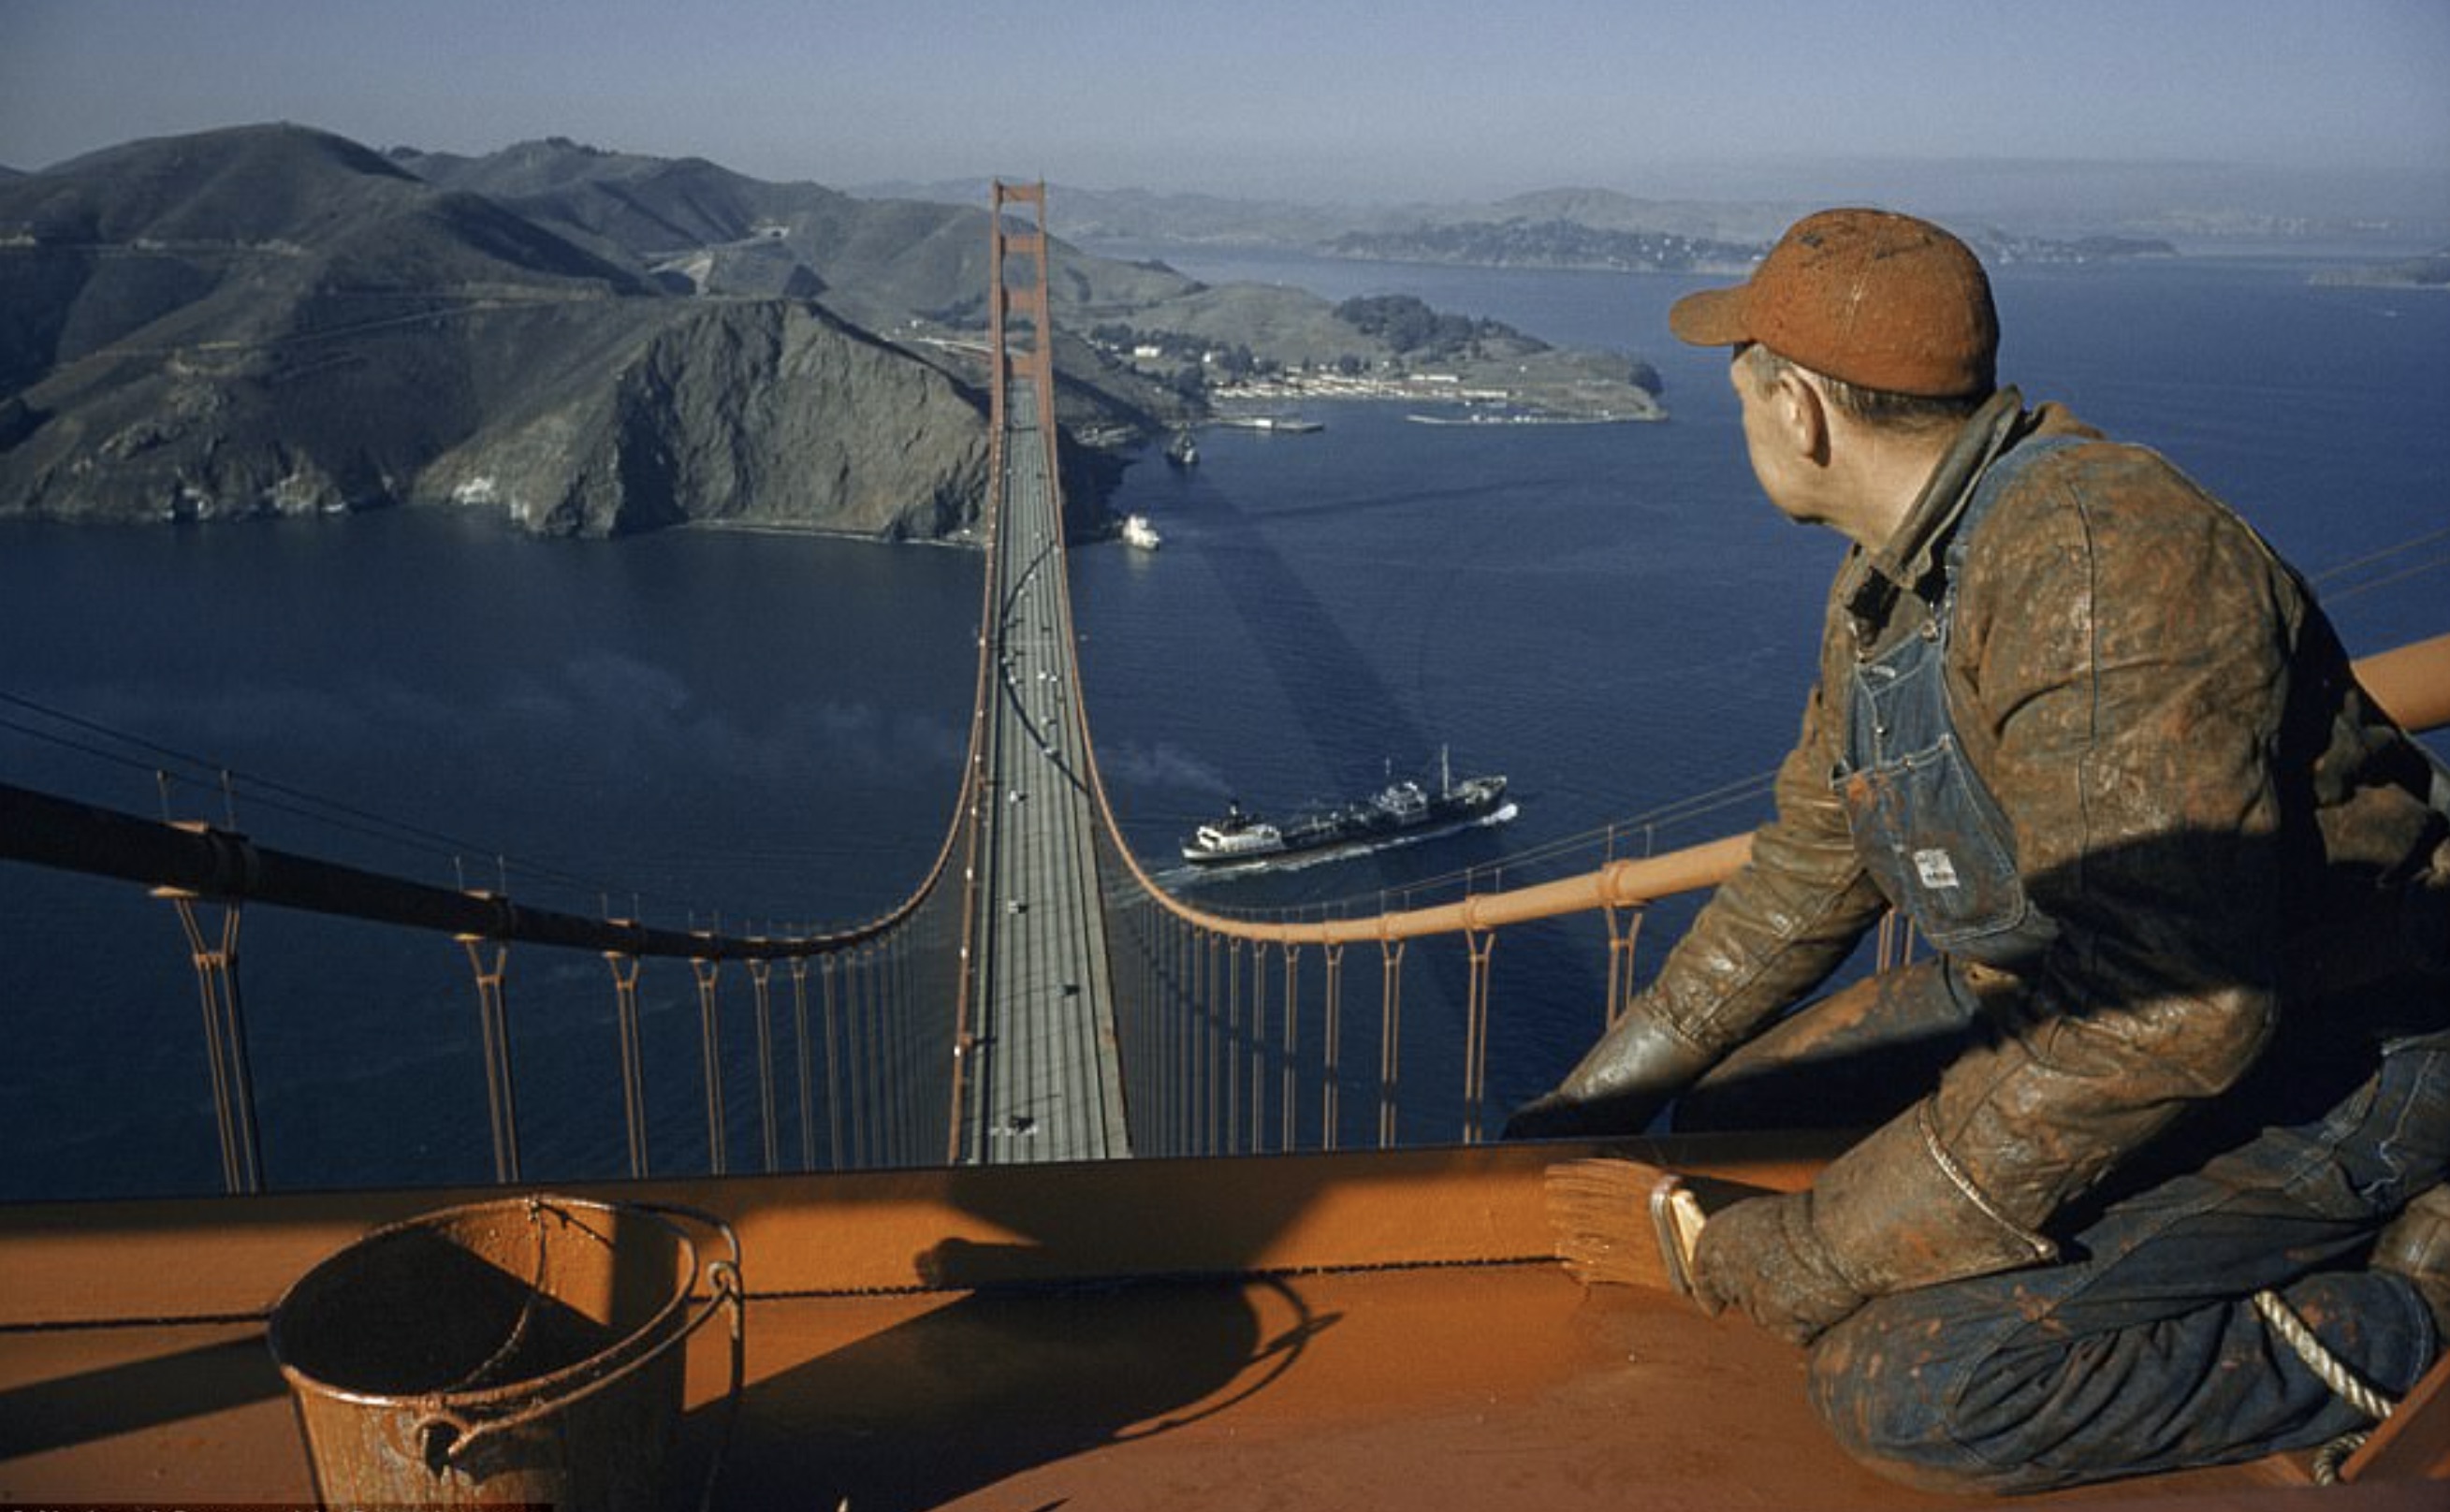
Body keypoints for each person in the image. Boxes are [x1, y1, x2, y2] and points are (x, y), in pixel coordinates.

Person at [1506, 207, 2450, 1492]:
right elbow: (1802, 871)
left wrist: (1815, 1252)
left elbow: (2176, 1022)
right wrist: (1586, 1106)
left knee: (1914, 1384)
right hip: (2084, 1008)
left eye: (1737, 385)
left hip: (2346, 1051)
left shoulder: (2097, 562)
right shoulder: (1897, 576)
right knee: (1731, 1114)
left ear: (1798, 410)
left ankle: (2408, 1315)